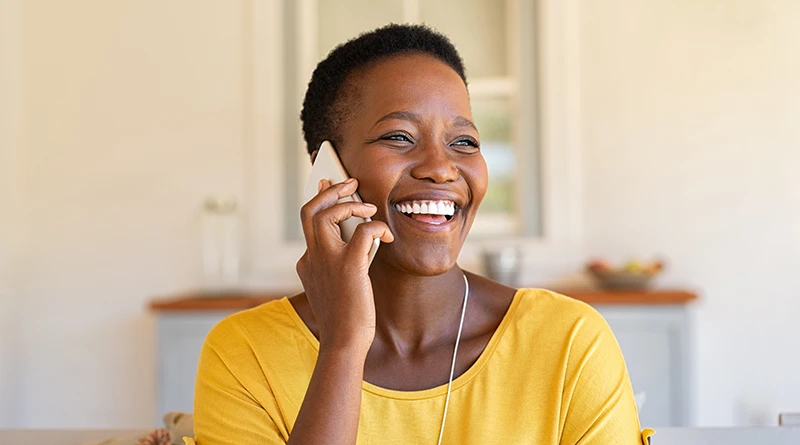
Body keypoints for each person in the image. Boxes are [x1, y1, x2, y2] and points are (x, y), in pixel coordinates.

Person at [192, 24, 651, 444]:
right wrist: (344, 345)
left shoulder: (568, 341)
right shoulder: (244, 353)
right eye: (398, 137)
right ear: (328, 167)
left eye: (464, 142)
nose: (441, 167)